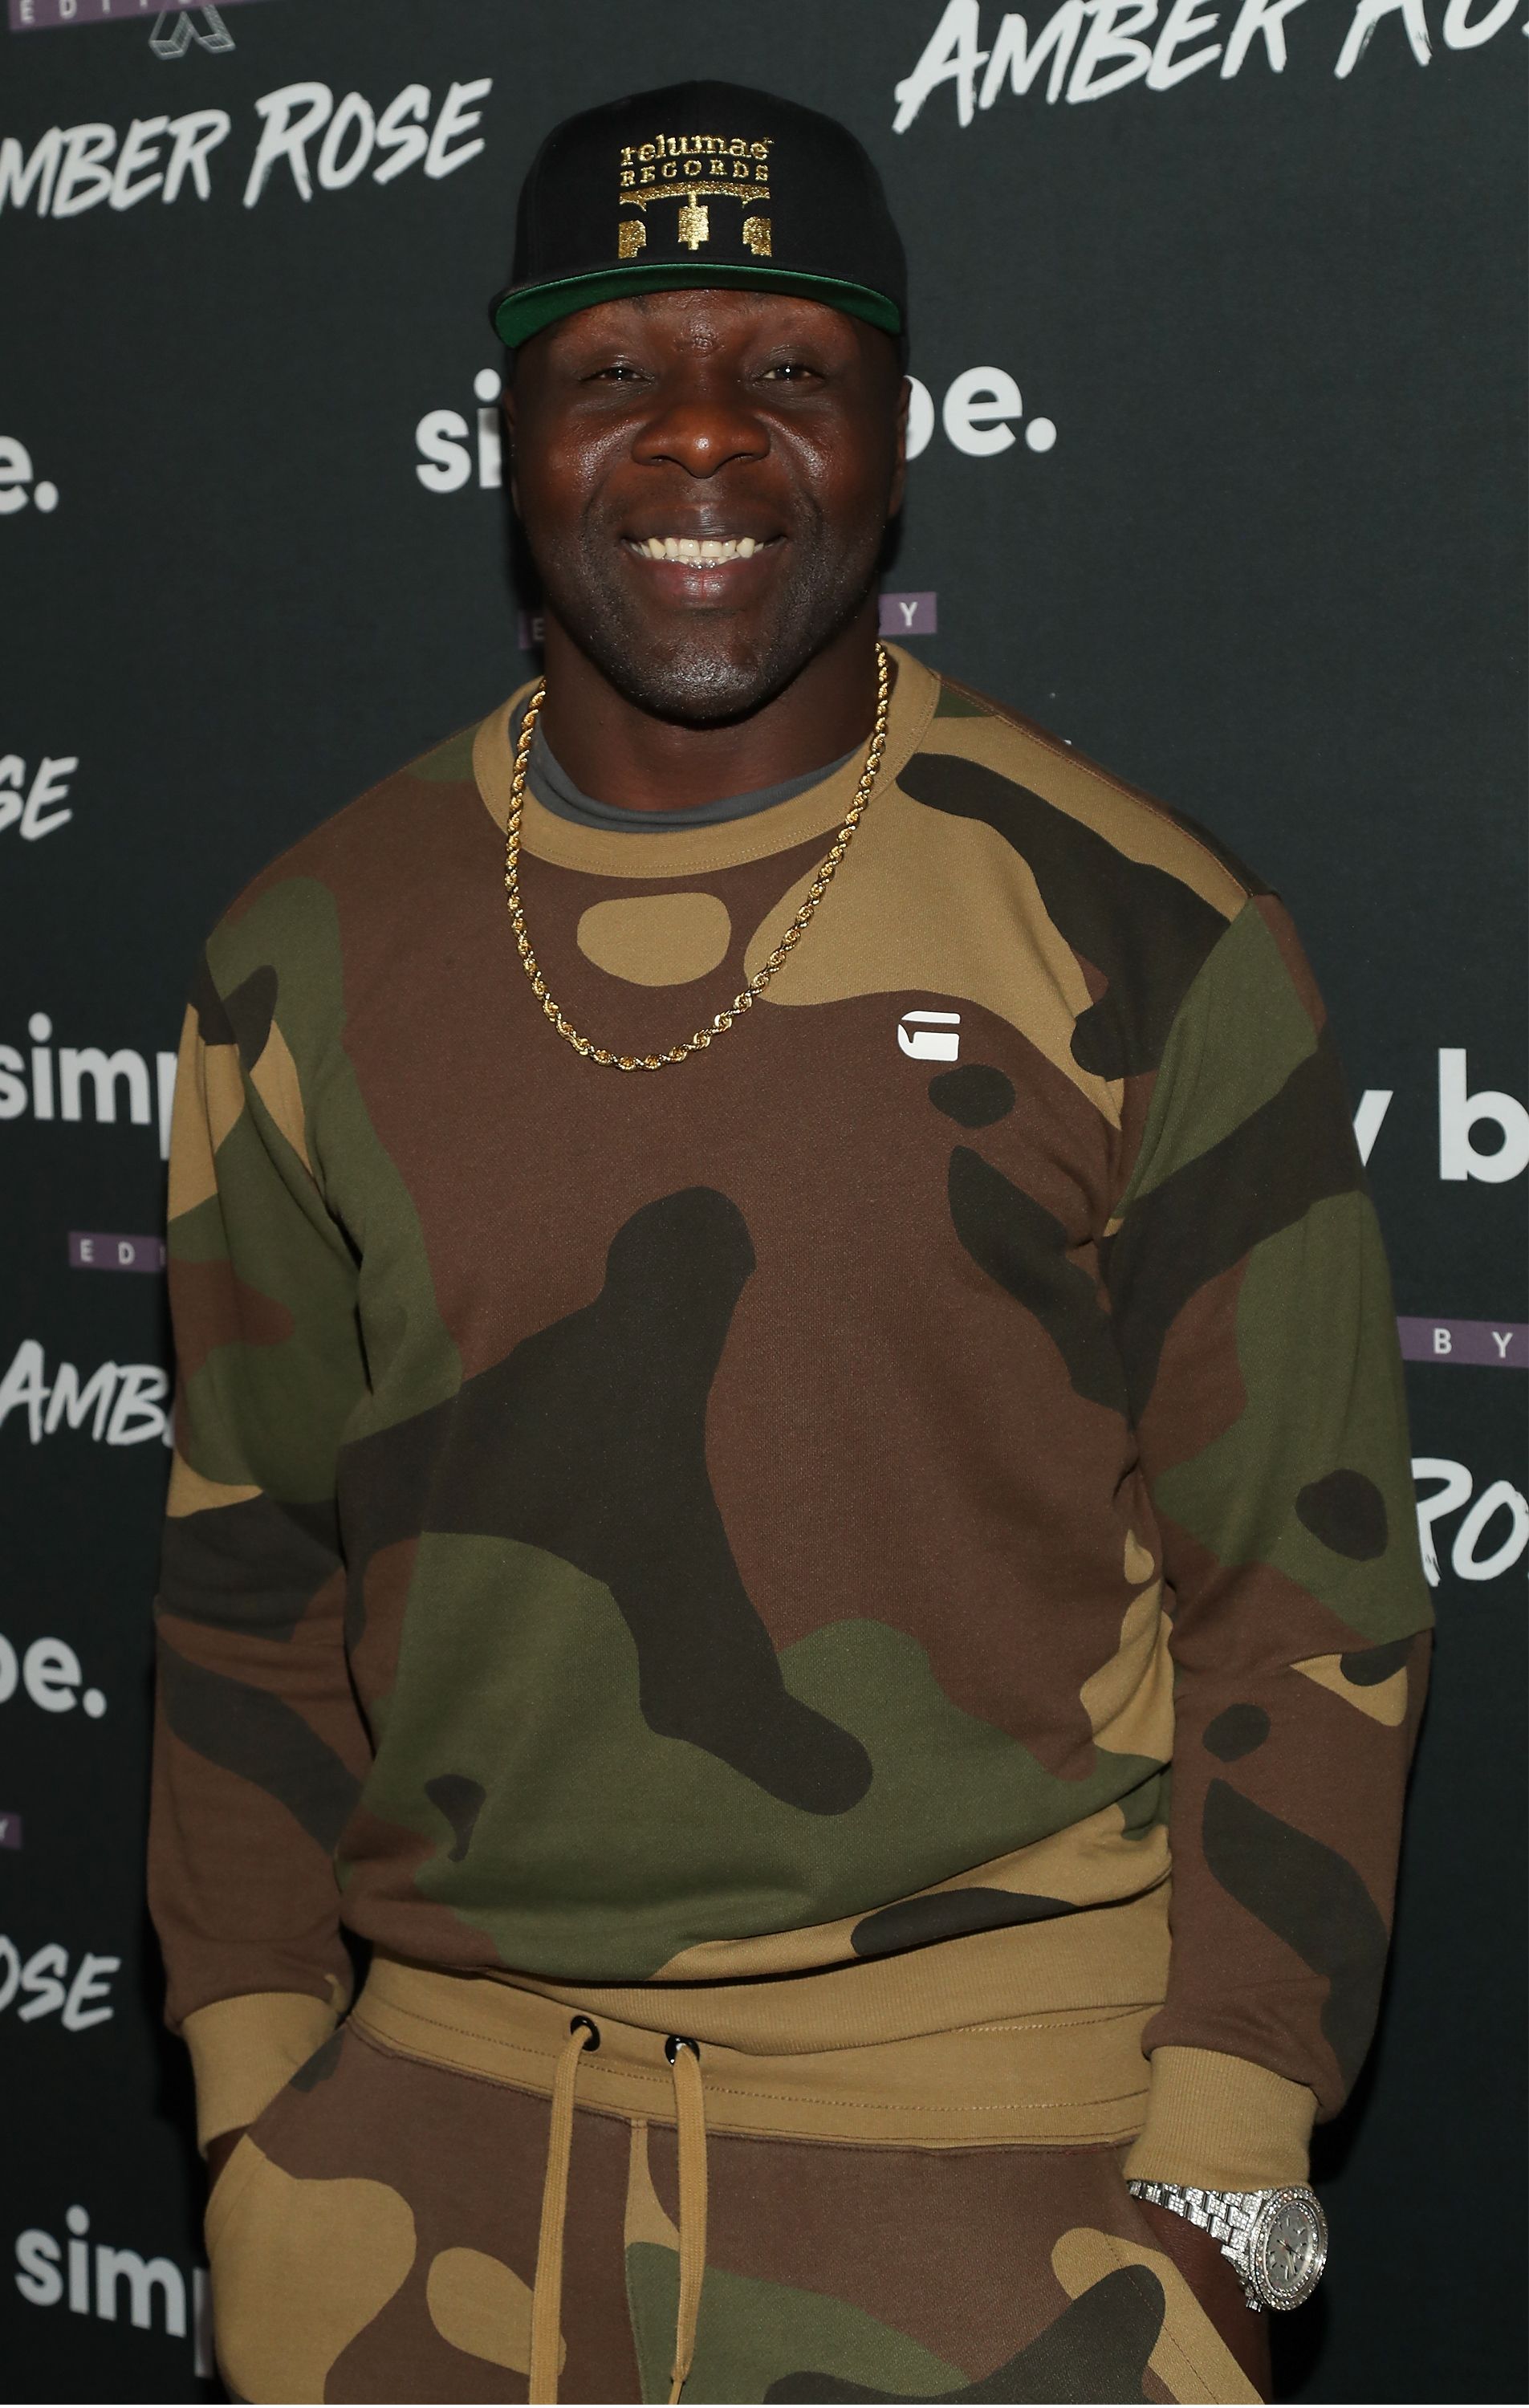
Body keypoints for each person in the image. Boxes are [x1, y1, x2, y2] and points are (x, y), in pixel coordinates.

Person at [148, 79, 1432, 2408]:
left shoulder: (1145, 932)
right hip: (414, 2191)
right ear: (510, 430)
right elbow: (251, 1572)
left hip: (1004, 2191)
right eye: (613, 366)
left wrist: (1230, 2179)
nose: (701, 435)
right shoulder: (300, 951)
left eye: (789, 365)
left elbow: (1306, 1593)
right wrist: (255, 2109)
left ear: (897, 431)